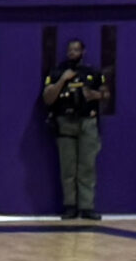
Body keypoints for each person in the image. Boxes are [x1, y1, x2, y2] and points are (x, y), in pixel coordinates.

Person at [42, 38, 108, 221]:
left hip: (87, 121)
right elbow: (47, 98)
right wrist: (63, 80)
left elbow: (106, 94)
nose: (72, 53)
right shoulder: (57, 71)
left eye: (76, 49)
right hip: (65, 122)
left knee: (87, 166)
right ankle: (70, 206)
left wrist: (94, 94)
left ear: (83, 52)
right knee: (68, 168)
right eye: (70, 49)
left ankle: (87, 207)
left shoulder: (92, 72)